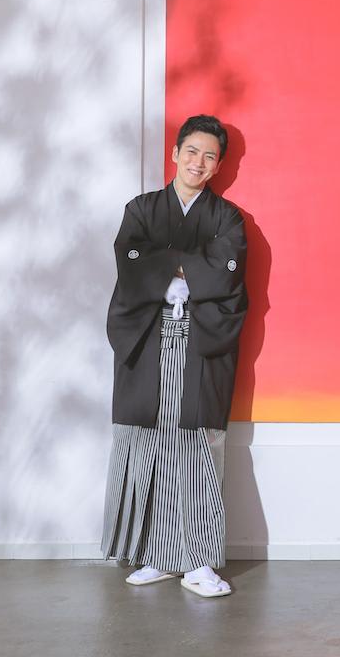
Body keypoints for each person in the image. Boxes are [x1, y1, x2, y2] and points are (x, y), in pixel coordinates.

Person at [101, 114, 248, 597]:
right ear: (175, 154)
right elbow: (130, 260)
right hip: (148, 337)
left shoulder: (227, 218)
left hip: (200, 339)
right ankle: (156, 555)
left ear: (218, 165)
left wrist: (167, 261)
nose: (198, 163)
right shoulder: (142, 209)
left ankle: (199, 562)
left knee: (195, 444)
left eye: (210, 156)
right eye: (191, 152)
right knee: (147, 442)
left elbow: (226, 271)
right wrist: (191, 263)